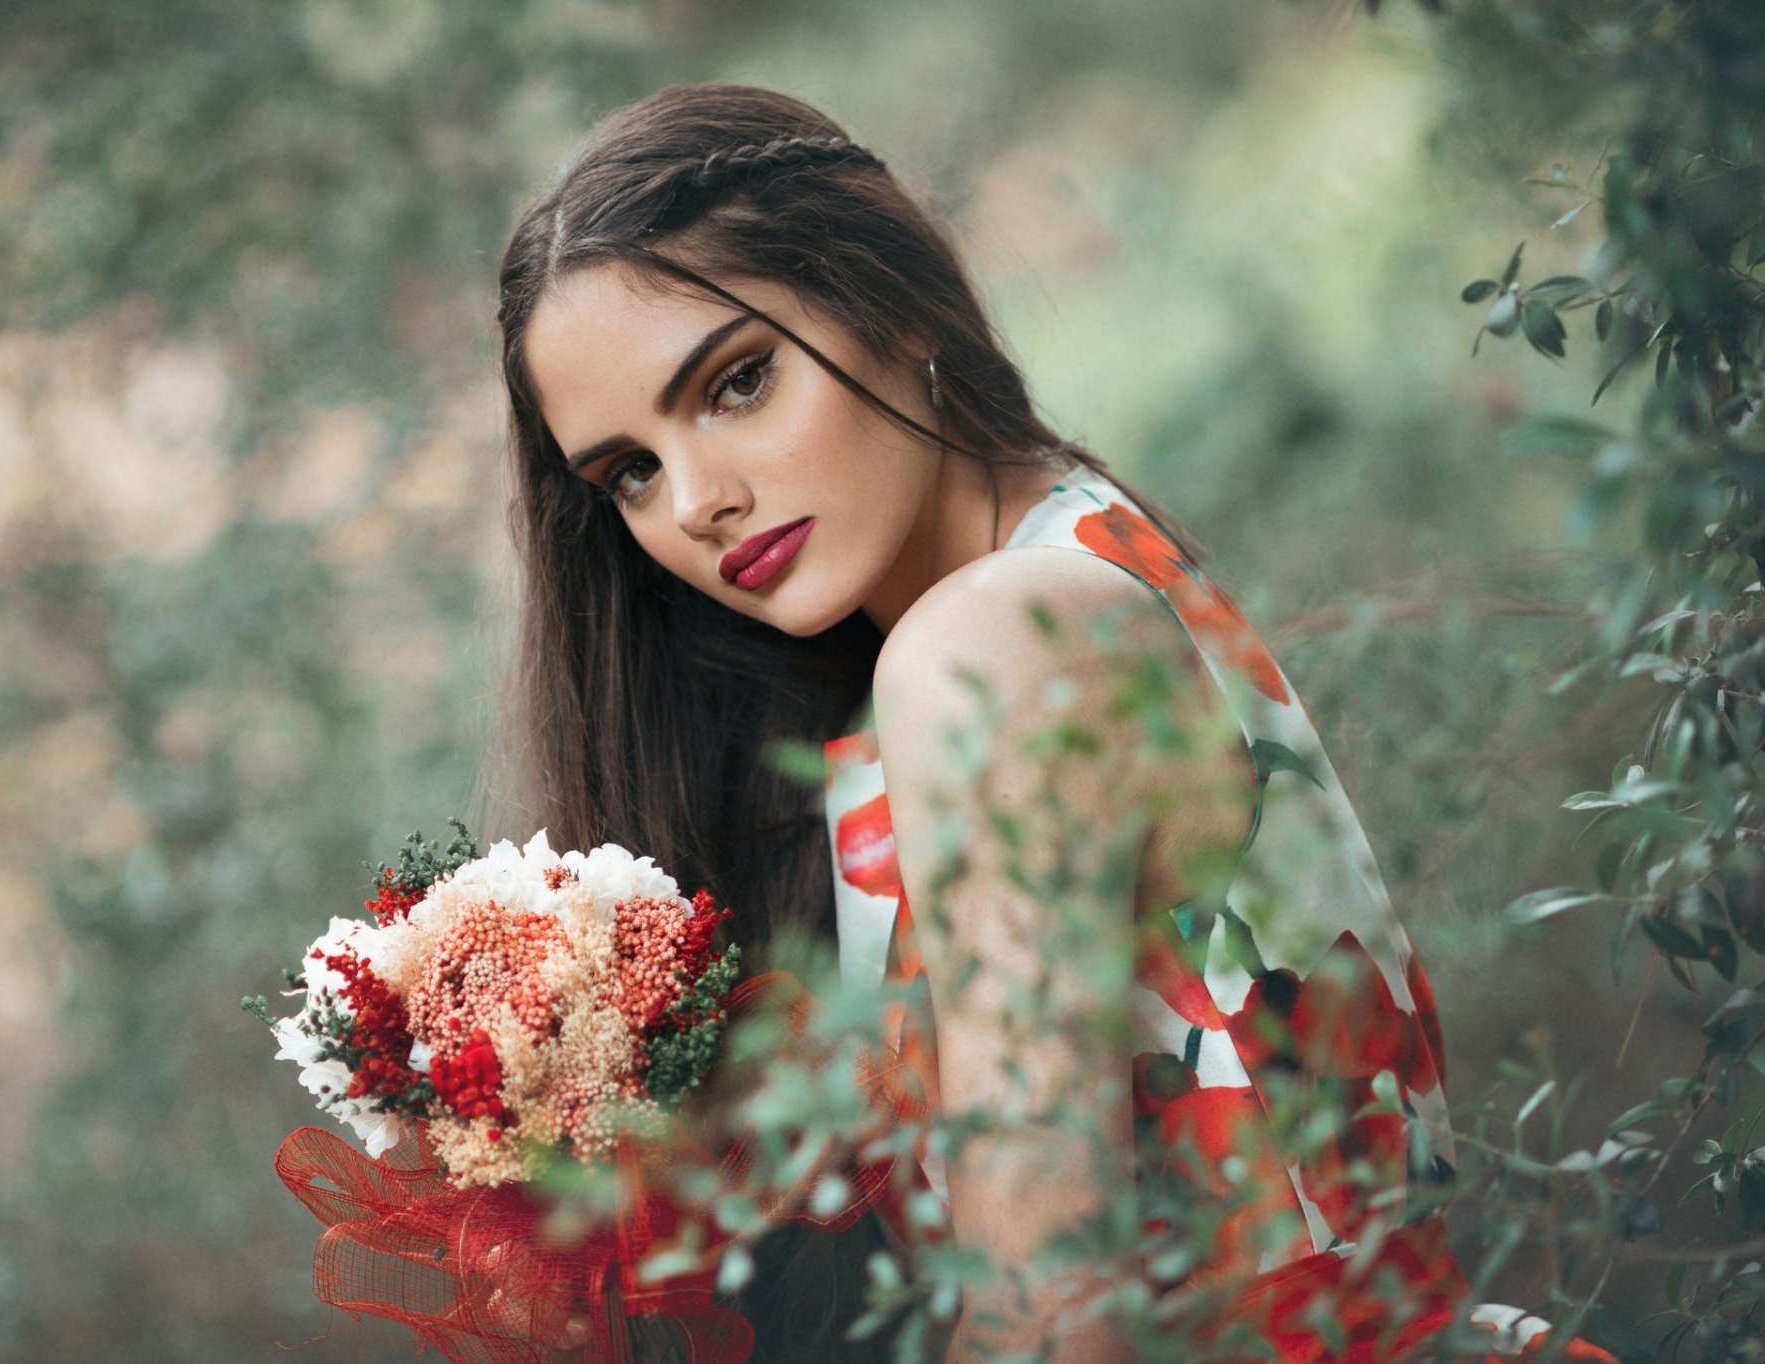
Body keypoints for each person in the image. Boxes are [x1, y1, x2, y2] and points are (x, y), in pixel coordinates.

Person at [493, 82, 1595, 1364]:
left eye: (738, 383)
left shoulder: (994, 639)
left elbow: (1053, 1320)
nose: (695, 501)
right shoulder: (1071, 558)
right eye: (629, 470)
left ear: (894, 299)